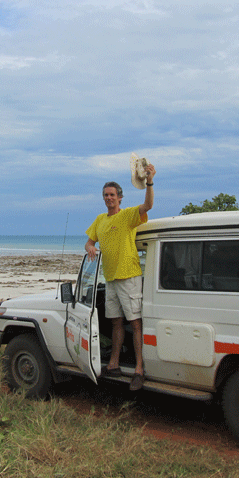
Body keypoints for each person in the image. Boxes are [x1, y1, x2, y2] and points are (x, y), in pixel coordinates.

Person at [85, 163, 155, 391]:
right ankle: (113, 363)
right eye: (105, 195)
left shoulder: (127, 216)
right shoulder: (99, 220)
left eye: (112, 195)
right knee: (116, 322)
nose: (108, 198)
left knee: (135, 323)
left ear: (120, 197)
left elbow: (148, 205)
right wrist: (90, 247)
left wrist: (150, 181)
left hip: (129, 276)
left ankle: (139, 369)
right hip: (111, 279)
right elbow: (89, 240)